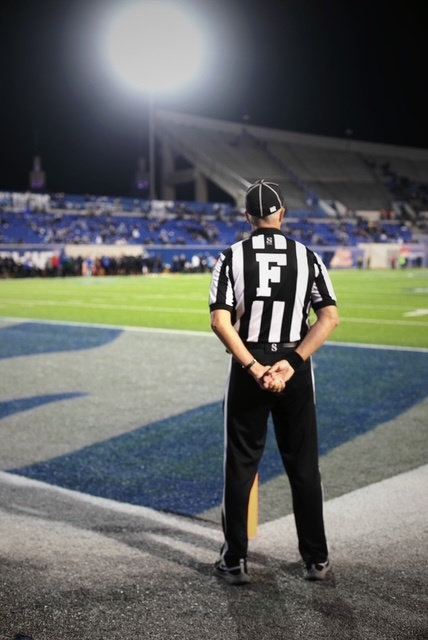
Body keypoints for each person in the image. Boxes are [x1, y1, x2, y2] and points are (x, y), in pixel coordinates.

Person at [209, 180, 339, 585]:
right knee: (303, 463)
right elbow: (330, 318)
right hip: (293, 364)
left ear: (247, 218)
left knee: (241, 464)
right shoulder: (308, 256)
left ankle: (235, 560)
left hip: (249, 363)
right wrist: (291, 362)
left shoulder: (231, 257)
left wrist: (253, 367)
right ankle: (316, 559)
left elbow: (220, 321)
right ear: (282, 215)